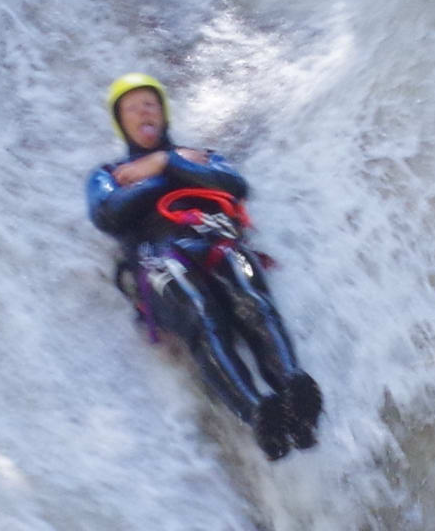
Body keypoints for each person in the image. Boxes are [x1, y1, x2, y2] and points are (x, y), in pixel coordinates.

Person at [89, 72, 321, 457]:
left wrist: (164, 161)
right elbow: (110, 214)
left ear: (163, 114)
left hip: (216, 238)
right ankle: (258, 412)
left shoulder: (198, 155)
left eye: (150, 103)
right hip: (159, 254)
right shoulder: (108, 175)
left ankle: (295, 390)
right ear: (121, 121)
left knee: (252, 299)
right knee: (198, 311)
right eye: (131, 107)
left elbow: (232, 185)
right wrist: (169, 170)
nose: (143, 111)